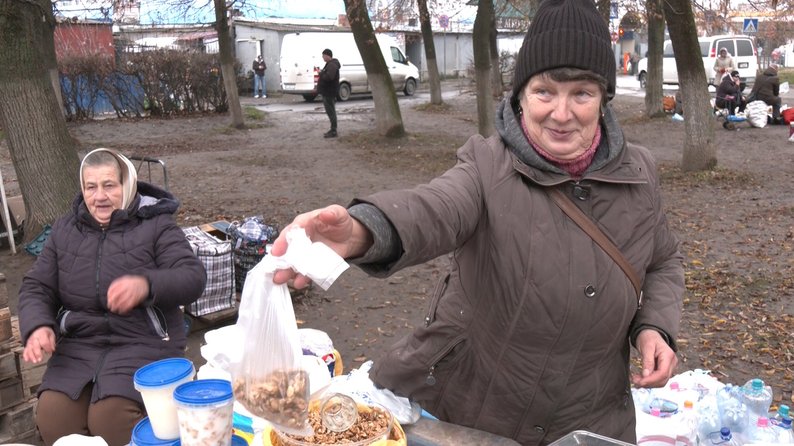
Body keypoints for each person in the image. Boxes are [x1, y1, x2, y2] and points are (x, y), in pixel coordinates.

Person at [271, 0, 684, 444]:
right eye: (545, 91)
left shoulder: (638, 172)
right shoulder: (487, 166)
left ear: (603, 99)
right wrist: (361, 230)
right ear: (521, 95)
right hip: (481, 414)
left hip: (594, 419)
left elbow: (662, 259)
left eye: (581, 93)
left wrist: (654, 327)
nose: (561, 114)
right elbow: (434, 207)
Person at [18, 148, 207, 446]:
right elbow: (37, 286)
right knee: (53, 416)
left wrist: (146, 285)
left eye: (109, 185)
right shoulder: (66, 229)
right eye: (91, 187)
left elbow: (192, 277)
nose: (99, 196)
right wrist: (38, 325)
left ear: (127, 184)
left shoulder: (156, 224)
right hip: (81, 345)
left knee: (110, 418)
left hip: (142, 342)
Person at [318, 48, 341, 138]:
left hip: (329, 92)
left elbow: (329, 77)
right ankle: (332, 129)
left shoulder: (332, 65)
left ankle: (333, 130)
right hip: (328, 91)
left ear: (328, 56)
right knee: (331, 111)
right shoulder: (330, 64)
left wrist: (321, 73)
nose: (323, 57)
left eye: (323, 56)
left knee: (331, 111)